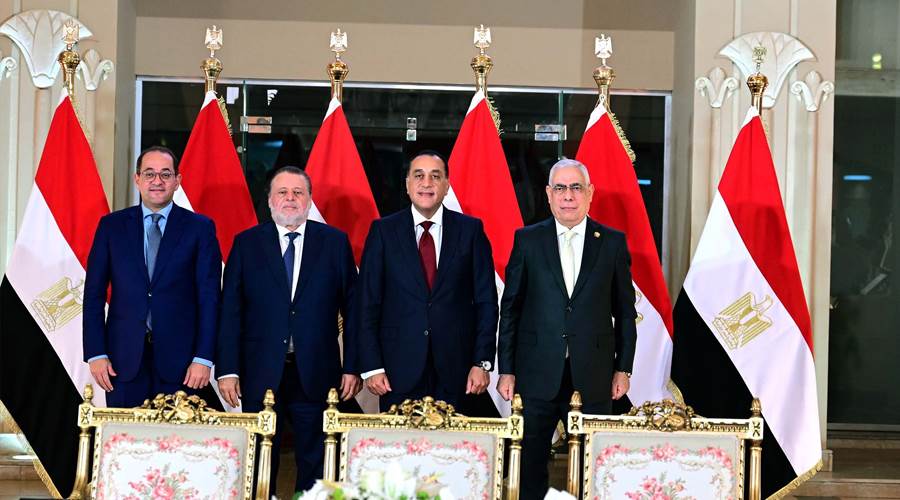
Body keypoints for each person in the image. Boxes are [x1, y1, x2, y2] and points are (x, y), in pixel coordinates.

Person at [496, 158, 637, 500]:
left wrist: (624, 368)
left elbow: (625, 312)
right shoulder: (528, 240)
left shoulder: (612, 242)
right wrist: (507, 369)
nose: (568, 195)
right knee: (529, 466)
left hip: (593, 374)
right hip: (536, 373)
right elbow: (511, 308)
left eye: (576, 187)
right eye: (560, 188)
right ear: (548, 194)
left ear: (590, 193)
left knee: (593, 466)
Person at [216, 166, 361, 493]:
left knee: (315, 460)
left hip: (317, 372)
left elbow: (354, 311)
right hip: (259, 372)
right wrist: (227, 370)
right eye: (282, 192)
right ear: (269, 200)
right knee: (260, 459)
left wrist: (352, 366)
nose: (290, 198)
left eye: (298, 192)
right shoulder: (247, 243)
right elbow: (231, 312)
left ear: (309, 200)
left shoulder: (334, 243)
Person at [357, 151, 498, 413]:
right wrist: (372, 366)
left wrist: (482, 362)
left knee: (454, 441)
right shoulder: (383, 231)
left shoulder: (470, 231)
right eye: (419, 176)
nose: (427, 183)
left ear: (446, 185)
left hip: (458, 372)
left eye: (436, 176)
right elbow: (367, 303)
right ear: (407, 184)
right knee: (400, 441)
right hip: (396, 372)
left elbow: (486, 302)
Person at [83, 146, 221, 407]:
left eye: (165, 174)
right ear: (137, 179)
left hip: (183, 365)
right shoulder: (111, 226)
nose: (157, 181)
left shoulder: (200, 228)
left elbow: (210, 297)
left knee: (177, 434)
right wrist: (96, 353)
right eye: (149, 174)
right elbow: (93, 295)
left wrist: (203, 357)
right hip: (121, 362)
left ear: (177, 181)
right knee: (124, 433)